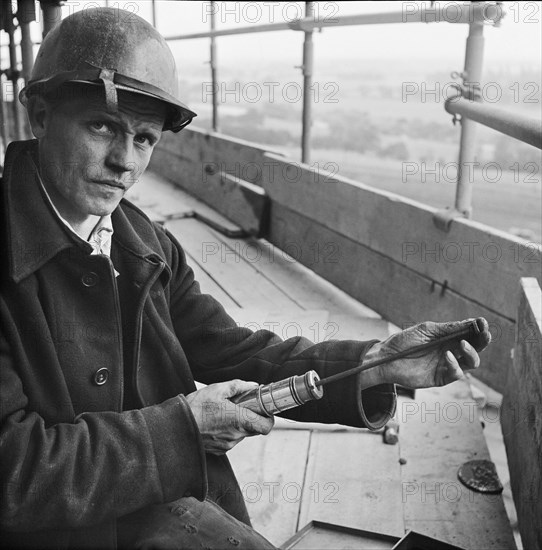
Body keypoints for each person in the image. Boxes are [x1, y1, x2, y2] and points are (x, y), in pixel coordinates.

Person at [0, 7, 491, 550]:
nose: (124, 162)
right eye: (102, 127)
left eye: (144, 139)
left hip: (164, 503)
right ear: (39, 115)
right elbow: (12, 469)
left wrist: (375, 365)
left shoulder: (146, 247)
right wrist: (182, 432)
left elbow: (232, 351)